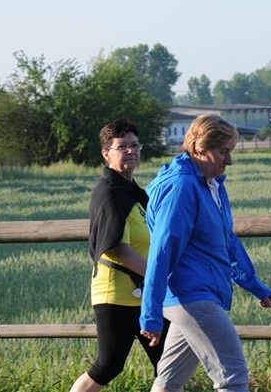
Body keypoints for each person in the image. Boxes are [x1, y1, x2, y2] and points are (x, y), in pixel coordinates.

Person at [140, 114, 271, 392]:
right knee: (233, 377)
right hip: (193, 297)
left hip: (193, 296)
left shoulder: (209, 185)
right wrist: (150, 314)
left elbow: (227, 242)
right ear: (199, 148)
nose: (229, 160)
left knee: (168, 382)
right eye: (223, 152)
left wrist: (255, 286)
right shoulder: (182, 187)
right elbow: (162, 251)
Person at [70, 119, 168, 392]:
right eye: (122, 146)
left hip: (143, 293)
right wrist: (159, 277)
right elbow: (117, 249)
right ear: (106, 153)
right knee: (109, 364)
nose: (130, 151)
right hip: (116, 294)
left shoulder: (133, 192)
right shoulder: (111, 194)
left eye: (135, 145)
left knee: (168, 363)